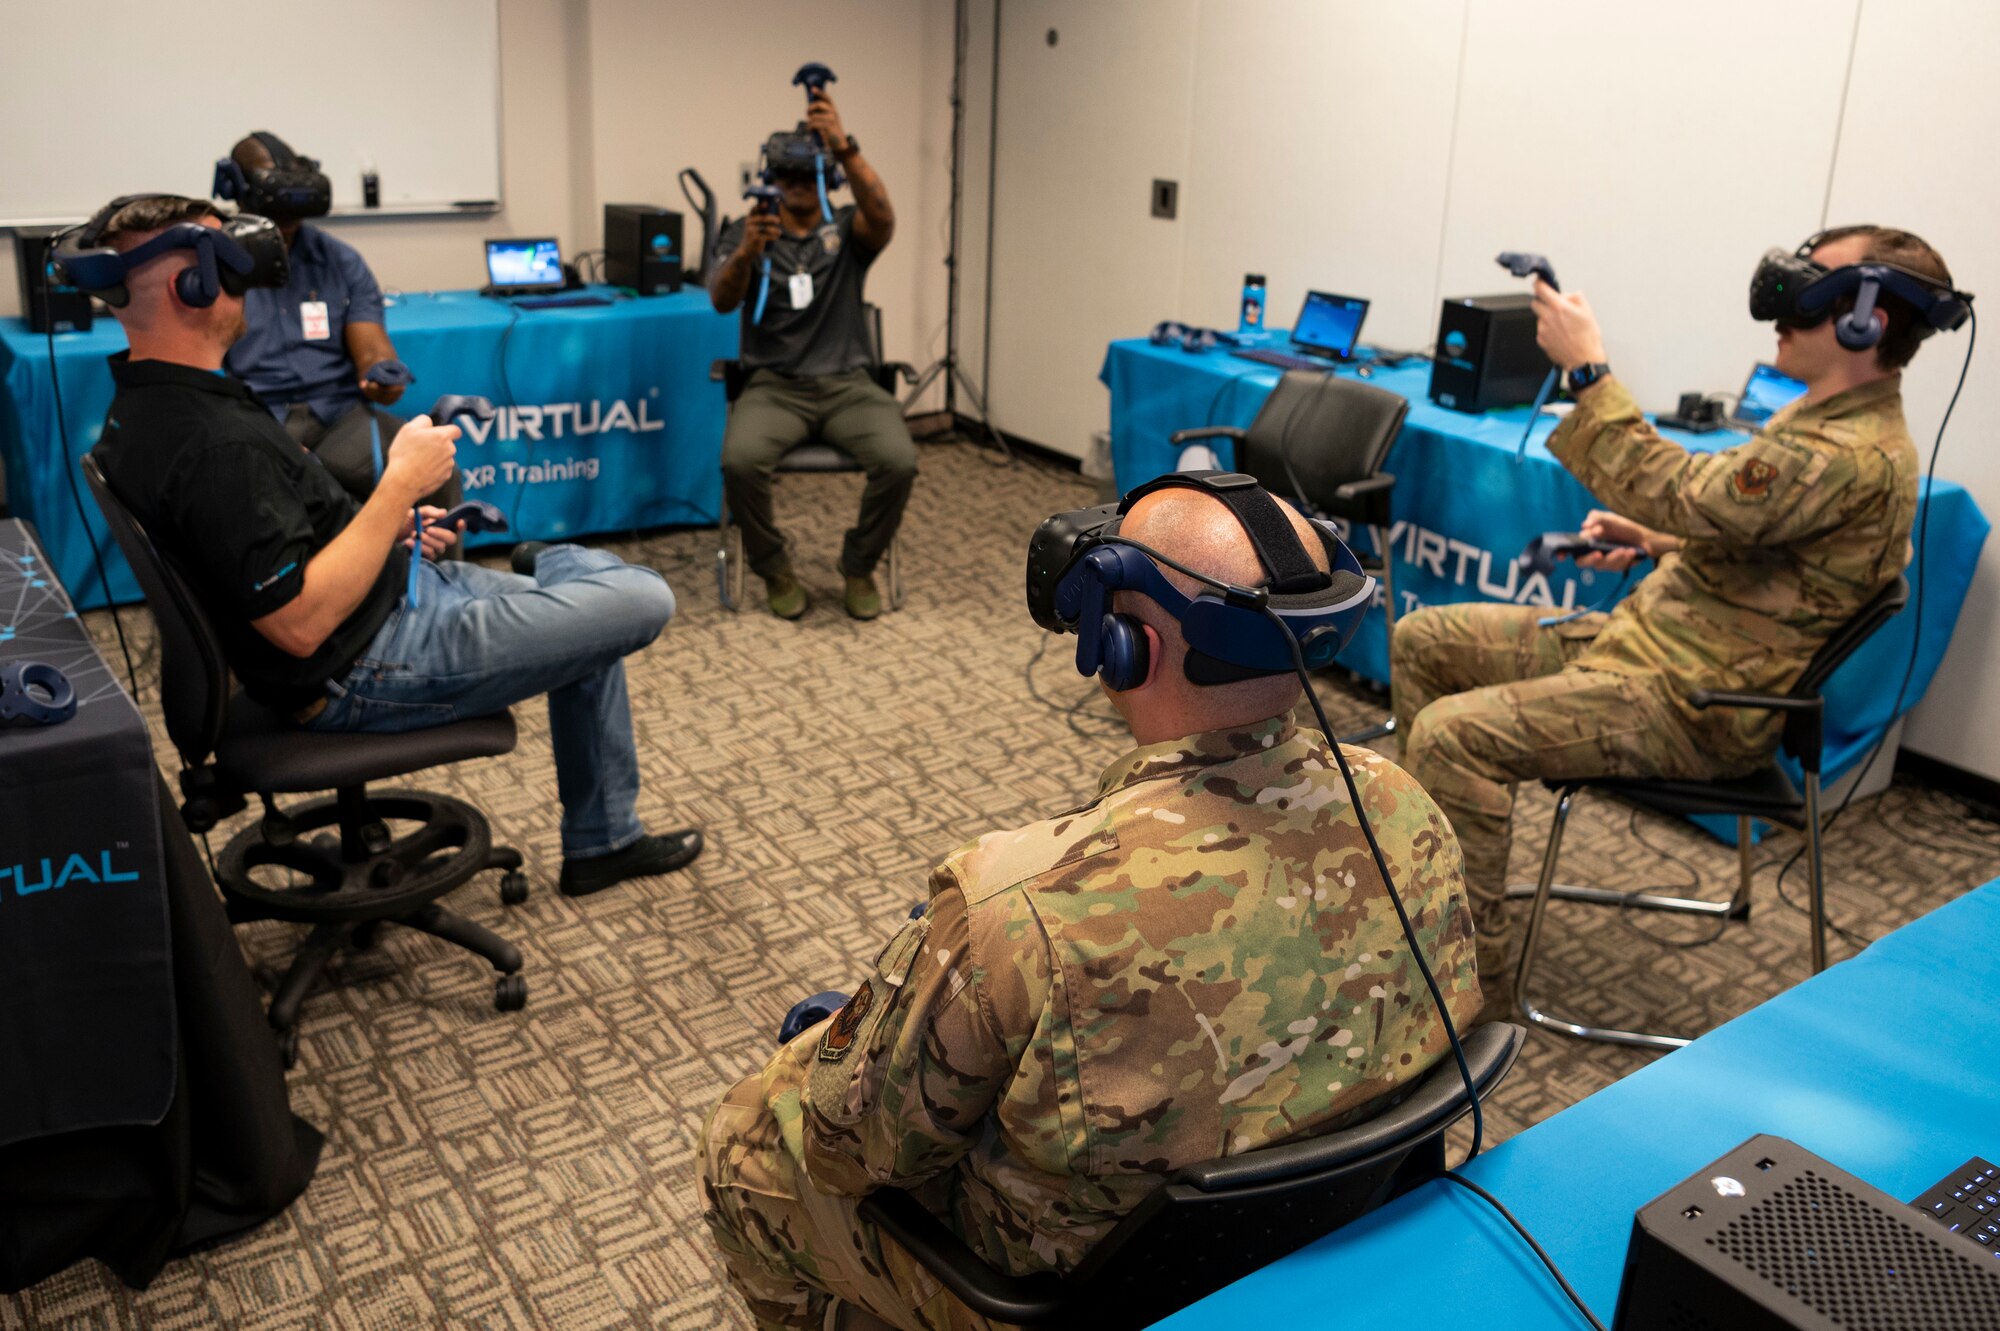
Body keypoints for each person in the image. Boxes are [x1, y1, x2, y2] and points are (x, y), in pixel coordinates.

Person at [699, 483, 1481, 1330]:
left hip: (1065, 1292)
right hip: (1329, 1240)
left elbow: (849, 1148)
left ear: (1126, 647)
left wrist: (840, 1040)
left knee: (744, 1137)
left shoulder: (1022, 898)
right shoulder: (1404, 805)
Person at [84, 194, 701, 899]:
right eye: (227, 260)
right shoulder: (212, 443)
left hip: (392, 598)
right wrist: (398, 488)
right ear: (186, 283)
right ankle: (555, 562)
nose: (247, 274)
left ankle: (604, 839)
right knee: (642, 597)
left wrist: (390, 533)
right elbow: (299, 623)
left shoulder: (156, 405)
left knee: (593, 616)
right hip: (371, 664)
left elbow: (279, 543)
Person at [1393, 225, 1948, 1004]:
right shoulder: (1825, 423)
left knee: (1451, 737)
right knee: (1423, 639)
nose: (1783, 305)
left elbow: (1688, 490)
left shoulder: (1847, 452)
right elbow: (1749, 533)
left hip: (1694, 703)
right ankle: (1426, 889)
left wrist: (1588, 369)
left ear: (1867, 320)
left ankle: (1459, 992)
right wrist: (1658, 540)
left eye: (1810, 288)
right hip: (1650, 653)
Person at [709, 82, 916, 621]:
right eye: (786, 175)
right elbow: (721, 301)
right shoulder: (745, 231)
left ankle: (859, 565)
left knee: (899, 460)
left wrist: (844, 145)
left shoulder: (847, 230)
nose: (797, 184)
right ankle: (775, 568)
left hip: (848, 384)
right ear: (769, 180)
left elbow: (885, 217)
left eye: (809, 174)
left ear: (827, 178)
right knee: (740, 462)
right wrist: (748, 254)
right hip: (775, 386)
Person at [220, 132, 459, 514]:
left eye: (293, 219)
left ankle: (437, 576)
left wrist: (381, 375)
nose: (285, 230)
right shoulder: (218, 262)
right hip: (259, 418)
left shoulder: (338, 260)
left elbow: (372, 348)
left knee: (436, 469)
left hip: (337, 416)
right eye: (275, 219)